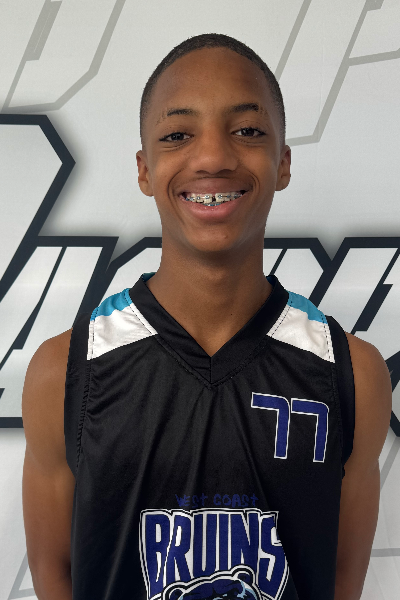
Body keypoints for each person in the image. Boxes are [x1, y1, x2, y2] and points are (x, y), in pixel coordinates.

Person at [22, 34, 392, 600]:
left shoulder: (353, 375)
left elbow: (341, 580)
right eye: (178, 135)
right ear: (145, 170)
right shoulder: (65, 371)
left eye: (248, 131)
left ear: (283, 162)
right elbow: (56, 574)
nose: (214, 157)